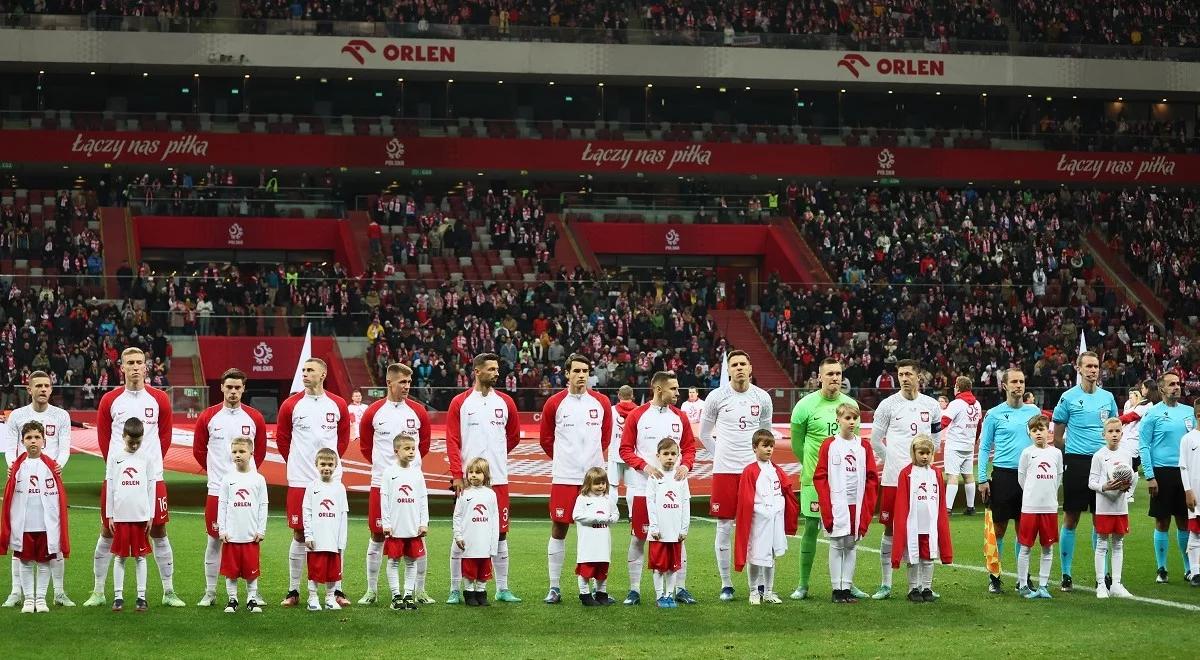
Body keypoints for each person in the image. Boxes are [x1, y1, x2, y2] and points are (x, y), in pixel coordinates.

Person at [85, 347, 180, 608]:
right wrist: (118, 466)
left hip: (152, 477)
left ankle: (168, 591)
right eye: (130, 363)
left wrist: (149, 465)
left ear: (146, 367)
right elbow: (104, 440)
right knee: (108, 529)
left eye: (140, 362)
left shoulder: (159, 399)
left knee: (158, 529)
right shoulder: (110, 400)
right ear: (122, 368)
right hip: (117, 476)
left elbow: (165, 437)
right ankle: (98, 592)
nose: (135, 367)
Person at [445, 353, 520, 604]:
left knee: (499, 534)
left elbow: (514, 437)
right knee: (463, 533)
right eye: (491, 369)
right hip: (469, 482)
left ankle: (502, 588)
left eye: (497, 368)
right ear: (476, 371)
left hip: (498, 480)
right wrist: (458, 475)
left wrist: (494, 461)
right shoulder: (460, 402)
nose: (496, 373)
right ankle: (455, 589)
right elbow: (453, 441)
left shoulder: (506, 402)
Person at [276, 357, 351, 608]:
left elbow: (342, 440)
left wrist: (330, 466)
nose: (305, 374)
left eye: (310, 370)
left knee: (335, 532)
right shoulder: (291, 404)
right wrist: (299, 465)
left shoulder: (338, 404)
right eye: (303, 370)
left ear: (323, 374)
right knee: (299, 534)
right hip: (300, 479)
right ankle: (294, 590)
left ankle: (337, 589)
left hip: (332, 480)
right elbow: (283, 440)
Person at [618, 371, 697, 605]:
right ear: (659, 389)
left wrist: (687, 465)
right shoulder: (637, 415)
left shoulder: (680, 417)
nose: (677, 392)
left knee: (677, 538)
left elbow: (690, 448)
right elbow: (625, 449)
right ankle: (634, 590)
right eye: (673, 388)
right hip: (643, 488)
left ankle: (680, 588)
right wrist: (645, 467)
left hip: (675, 487)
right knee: (639, 537)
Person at [698, 349, 772, 601]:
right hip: (724, 472)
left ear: (750, 368)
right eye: (734, 364)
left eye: (743, 363)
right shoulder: (716, 397)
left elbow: (765, 436)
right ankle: (726, 584)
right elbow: (704, 434)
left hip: (753, 472)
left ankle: (760, 584)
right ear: (728, 369)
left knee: (757, 525)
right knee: (724, 525)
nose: (739, 368)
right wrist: (721, 455)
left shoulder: (762, 398)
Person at [539, 354, 613, 604]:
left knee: (596, 529)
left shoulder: (601, 402)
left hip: (594, 482)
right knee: (560, 527)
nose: (582, 375)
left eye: (586, 371)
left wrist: (592, 469)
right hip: (564, 477)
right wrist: (564, 460)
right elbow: (546, 440)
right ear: (567, 374)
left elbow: (605, 438)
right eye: (577, 371)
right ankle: (554, 587)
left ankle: (597, 587)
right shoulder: (554, 403)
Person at [192, 368, 267, 607]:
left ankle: (253, 594)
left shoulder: (254, 417)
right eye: (229, 387)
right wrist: (219, 475)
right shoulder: (208, 416)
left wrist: (246, 478)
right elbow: (199, 451)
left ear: (244, 389)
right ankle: (210, 592)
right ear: (222, 388)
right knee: (214, 540)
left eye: (238, 387)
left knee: (251, 540)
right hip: (217, 490)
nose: (233, 391)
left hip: (248, 491)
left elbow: (261, 451)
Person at [358, 363, 431, 606]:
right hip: (382, 483)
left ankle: (418, 591)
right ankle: (371, 590)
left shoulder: (418, 412)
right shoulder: (373, 413)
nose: (407, 387)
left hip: (412, 482)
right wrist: (388, 470)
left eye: (409, 383)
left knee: (416, 536)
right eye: (402, 382)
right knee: (378, 535)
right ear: (389, 383)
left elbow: (425, 446)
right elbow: (366, 448)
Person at [870, 358, 942, 600]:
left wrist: (927, 460)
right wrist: (892, 461)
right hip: (894, 480)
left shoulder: (931, 405)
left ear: (918, 376)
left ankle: (924, 585)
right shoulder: (888, 405)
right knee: (890, 529)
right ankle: (886, 584)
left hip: (921, 480)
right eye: (901, 374)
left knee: (924, 528)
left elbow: (936, 439)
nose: (904, 378)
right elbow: (875, 440)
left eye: (909, 374)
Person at [788, 358, 857, 600]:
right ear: (820, 377)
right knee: (811, 527)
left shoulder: (850, 405)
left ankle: (847, 583)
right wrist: (815, 468)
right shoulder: (805, 406)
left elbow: (853, 444)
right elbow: (797, 444)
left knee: (848, 531)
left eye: (838, 373)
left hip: (844, 483)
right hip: (814, 481)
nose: (835, 378)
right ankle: (803, 584)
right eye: (830, 374)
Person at [3, 371, 73, 608]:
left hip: (51, 478)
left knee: (53, 532)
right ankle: (16, 592)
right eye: (39, 386)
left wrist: (57, 467)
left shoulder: (61, 415)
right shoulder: (18, 416)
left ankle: (59, 593)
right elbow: (10, 447)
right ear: (29, 389)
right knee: (19, 533)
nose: (43, 389)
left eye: (47, 386)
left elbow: (64, 448)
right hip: (22, 479)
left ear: (51, 389)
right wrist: (13, 468)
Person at [1051, 350, 1118, 591]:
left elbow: (1114, 430)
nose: (1093, 370)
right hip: (1077, 463)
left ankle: (1104, 573)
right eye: (1088, 366)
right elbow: (1057, 437)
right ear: (1078, 368)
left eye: (1096, 366)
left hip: (1103, 463)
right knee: (1071, 517)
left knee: (1102, 519)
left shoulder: (1108, 398)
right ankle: (1066, 574)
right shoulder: (1068, 397)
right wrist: (1073, 456)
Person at [977, 368, 1041, 593]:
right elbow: (984, 447)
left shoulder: (1033, 411)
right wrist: (982, 478)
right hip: (1003, 475)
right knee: (999, 528)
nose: (1018, 385)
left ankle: (1023, 577)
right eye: (1014, 382)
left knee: (1024, 528)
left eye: (1022, 381)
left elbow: (1040, 441)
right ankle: (994, 576)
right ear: (1004, 385)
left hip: (1029, 476)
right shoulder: (994, 414)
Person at [814, 404, 878, 604]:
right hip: (836, 503)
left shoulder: (863, 446)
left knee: (851, 545)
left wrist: (867, 505)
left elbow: (871, 477)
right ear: (838, 420)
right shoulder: (829, 445)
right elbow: (820, 477)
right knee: (837, 543)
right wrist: (826, 505)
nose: (851, 422)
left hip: (856, 504)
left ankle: (847, 587)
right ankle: (836, 589)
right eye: (847, 418)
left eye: (855, 418)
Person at [1138, 372, 1197, 583]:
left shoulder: (1190, 413)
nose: (1176, 387)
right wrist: (1150, 475)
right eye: (1171, 384)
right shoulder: (1152, 414)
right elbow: (1143, 445)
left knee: (1185, 521)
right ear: (1162, 388)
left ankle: (1190, 567)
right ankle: (1161, 568)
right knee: (1162, 521)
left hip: (1185, 473)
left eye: (1178, 384)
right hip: (1162, 473)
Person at [733, 429, 798, 604]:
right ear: (755, 448)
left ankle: (768, 592)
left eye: (771, 446)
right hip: (758, 521)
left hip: (775, 520)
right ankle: (754, 591)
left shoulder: (776, 470)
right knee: (755, 556)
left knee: (771, 555)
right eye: (765, 446)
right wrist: (760, 511)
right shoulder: (750, 471)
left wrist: (780, 508)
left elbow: (784, 492)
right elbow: (746, 498)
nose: (769, 449)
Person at [890, 435, 951, 603]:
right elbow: (902, 501)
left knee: (928, 557)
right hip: (913, 524)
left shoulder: (936, 473)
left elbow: (940, 500)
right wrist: (903, 524)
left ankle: (927, 587)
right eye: (921, 452)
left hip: (930, 524)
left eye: (928, 453)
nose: (924, 456)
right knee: (913, 558)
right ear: (914, 452)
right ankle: (913, 588)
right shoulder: (906, 473)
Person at [105, 418, 156, 613]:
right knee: (120, 557)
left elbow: (151, 487)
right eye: (130, 441)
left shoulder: (146, 458)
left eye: (138, 442)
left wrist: (150, 515)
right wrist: (110, 515)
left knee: (141, 557)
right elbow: (110, 486)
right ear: (123, 436)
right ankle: (118, 597)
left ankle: (141, 597)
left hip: (140, 516)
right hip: (120, 516)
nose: (134, 445)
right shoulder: (115, 457)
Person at [217, 436, 268, 614]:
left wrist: (261, 530)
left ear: (251, 453)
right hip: (231, 535)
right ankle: (232, 600)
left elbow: (263, 505)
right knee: (231, 572)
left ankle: (252, 599)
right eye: (234, 452)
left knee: (251, 571)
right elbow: (222, 505)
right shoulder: (227, 479)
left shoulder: (259, 479)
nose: (237, 455)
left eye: (242, 451)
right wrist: (222, 529)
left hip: (250, 535)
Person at [379, 435, 429, 611]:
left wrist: (424, 522)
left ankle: (408, 594)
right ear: (396, 451)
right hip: (395, 527)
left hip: (413, 527)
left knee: (411, 561)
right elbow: (384, 499)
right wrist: (386, 523)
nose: (411, 452)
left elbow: (423, 498)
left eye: (413, 449)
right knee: (393, 561)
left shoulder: (417, 473)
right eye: (407, 449)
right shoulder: (388, 473)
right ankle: (395, 596)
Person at [1017, 416, 1062, 600]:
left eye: (1041, 429)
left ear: (1048, 431)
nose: (1038, 433)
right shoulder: (1027, 453)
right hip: (1030, 507)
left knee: (1048, 548)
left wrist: (1048, 494)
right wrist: (1031, 494)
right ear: (1030, 434)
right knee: (1025, 547)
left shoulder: (1056, 453)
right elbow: (1022, 479)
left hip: (1049, 507)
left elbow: (1058, 477)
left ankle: (1043, 586)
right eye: (1034, 430)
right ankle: (1022, 585)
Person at [1089, 418, 1134, 599]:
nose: (1114, 435)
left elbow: (1130, 477)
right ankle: (1101, 585)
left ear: (1122, 434)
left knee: (1118, 543)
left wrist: (1127, 487)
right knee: (1101, 544)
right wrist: (1104, 487)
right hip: (1104, 506)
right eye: (1110, 432)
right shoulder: (1099, 455)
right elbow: (1091, 482)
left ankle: (1116, 584)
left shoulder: (1127, 455)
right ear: (1104, 435)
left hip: (1120, 507)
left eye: (1117, 431)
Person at [646, 438, 691, 609]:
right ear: (658, 456)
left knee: (673, 567)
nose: (670, 457)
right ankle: (659, 596)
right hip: (659, 532)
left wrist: (684, 528)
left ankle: (669, 595)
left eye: (673, 454)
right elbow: (650, 503)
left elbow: (686, 503)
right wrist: (654, 526)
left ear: (678, 456)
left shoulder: (681, 477)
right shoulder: (654, 477)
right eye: (666, 454)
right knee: (658, 567)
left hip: (675, 532)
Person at [303, 448, 349, 611]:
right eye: (323, 464)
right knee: (315, 570)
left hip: (333, 538)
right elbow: (306, 511)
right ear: (316, 465)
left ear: (336, 466)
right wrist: (308, 535)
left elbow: (343, 515)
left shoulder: (340, 488)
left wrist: (341, 539)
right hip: (316, 539)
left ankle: (330, 598)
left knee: (332, 571)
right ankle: (313, 598)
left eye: (330, 464)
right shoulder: (311, 487)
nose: (326, 467)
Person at [452, 457, 499, 607]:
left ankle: (481, 593)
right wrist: (458, 535)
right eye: (470, 472)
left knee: (484, 569)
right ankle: (469, 593)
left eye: (478, 472)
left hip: (485, 541)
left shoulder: (491, 494)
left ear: (485, 475)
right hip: (469, 541)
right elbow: (457, 516)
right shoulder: (464, 494)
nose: (473, 475)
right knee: (469, 570)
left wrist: (493, 542)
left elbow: (494, 518)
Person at [572, 466, 619, 606]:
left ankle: (601, 593)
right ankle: (585, 594)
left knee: (602, 569)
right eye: (597, 483)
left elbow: (615, 513)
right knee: (586, 569)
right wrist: (597, 519)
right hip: (588, 543)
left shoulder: (607, 499)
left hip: (603, 543)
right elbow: (576, 515)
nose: (601, 486)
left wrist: (612, 519)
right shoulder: (582, 498)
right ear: (588, 484)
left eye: (603, 483)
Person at [941, 376, 982, 515]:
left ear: (958, 387)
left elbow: (944, 422)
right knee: (968, 475)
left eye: (955, 386)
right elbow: (979, 426)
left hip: (954, 445)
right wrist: (974, 440)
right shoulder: (977, 404)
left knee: (952, 476)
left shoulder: (956, 403)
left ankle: (947, 509)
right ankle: (971, 507)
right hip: (969, 445)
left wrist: (929, 430)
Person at [1120, 380, 1158, 504]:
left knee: (1129, 467)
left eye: (1143, 388)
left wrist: (1114, 421)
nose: (1142, 390)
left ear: (1148, 389)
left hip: (1132, 440)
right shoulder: (1151, 404)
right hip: (1133, 439)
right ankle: (1128, 494)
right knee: (1133, 467)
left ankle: (1128, 494)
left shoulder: (1147, 404)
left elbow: (1132, 417)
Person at [607, 385, 638, 517]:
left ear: (619, 395)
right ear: (632, 396)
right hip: (632, 453)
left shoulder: (611, 410)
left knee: (612, 486)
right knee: (632, 486)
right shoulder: (639, 411)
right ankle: (632, 515)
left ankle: (613, 513)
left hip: (615, 452)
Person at [1180, 399, 1200, 586]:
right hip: (1196, 493)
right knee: (1195, 533)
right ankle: (1195, 572)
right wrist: (1188, 490)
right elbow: (1183, 467)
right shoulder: (1188, 439)